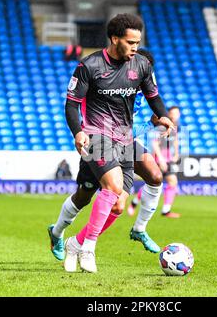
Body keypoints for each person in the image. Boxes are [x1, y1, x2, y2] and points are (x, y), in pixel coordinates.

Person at [47, 14, 174, 273]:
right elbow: (71, 105)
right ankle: (88, 247)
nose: (135, 48)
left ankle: (74, 242)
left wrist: (162, 116)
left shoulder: (141, 65)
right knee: (111, 188)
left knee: (115, 203)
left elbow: (154, 96)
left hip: (125, 138)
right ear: (115, 39)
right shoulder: (89, 66)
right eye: (130, 42)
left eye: (138, 42)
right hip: (96, 135)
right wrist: (78, 132)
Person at [149, 106, 182, 218]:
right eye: (173, 113)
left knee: (165, 182)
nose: (174, 115)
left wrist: (177, 153)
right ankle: (165, 210)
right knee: (158, 183)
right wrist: (161, 159)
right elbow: (155, 143)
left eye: (177, 113)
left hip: (168, 159)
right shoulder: (163, 126)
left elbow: (175, 140)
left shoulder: (175, 126)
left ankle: (165, 210)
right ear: (169, 113)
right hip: (161, 159)